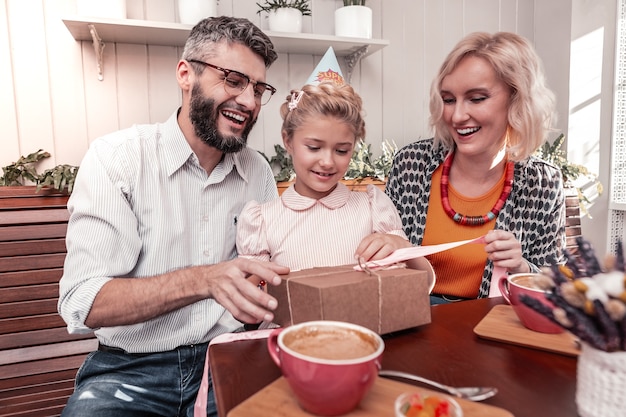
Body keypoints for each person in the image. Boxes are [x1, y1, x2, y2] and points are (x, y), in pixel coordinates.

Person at [57, 16, 289, 417]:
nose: (250, 102)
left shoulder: (258, 171)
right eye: (233, 80)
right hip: (129, 370)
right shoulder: (116, 159)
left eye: (258, 88)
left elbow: (271, 276)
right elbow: (84, 302)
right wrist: (205, 280)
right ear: (186, 74)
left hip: (229, 359)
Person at [385, 31, 566, 304]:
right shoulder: (411, 165)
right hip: (408, 319)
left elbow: (555, 289)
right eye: (448, 100)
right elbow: (382, 266)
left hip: (489, 329)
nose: (457, 116)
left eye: (477, 98)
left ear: (517, 100)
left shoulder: (541, 183)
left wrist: (520, 268)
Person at [236, 81, 434, 276]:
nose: (327, 162)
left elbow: (418, 283)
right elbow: (251, 293)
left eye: (341, 150)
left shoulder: (373, 208)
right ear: (288, 141)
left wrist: (404, 248)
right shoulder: (262, 220)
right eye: (314, 147)